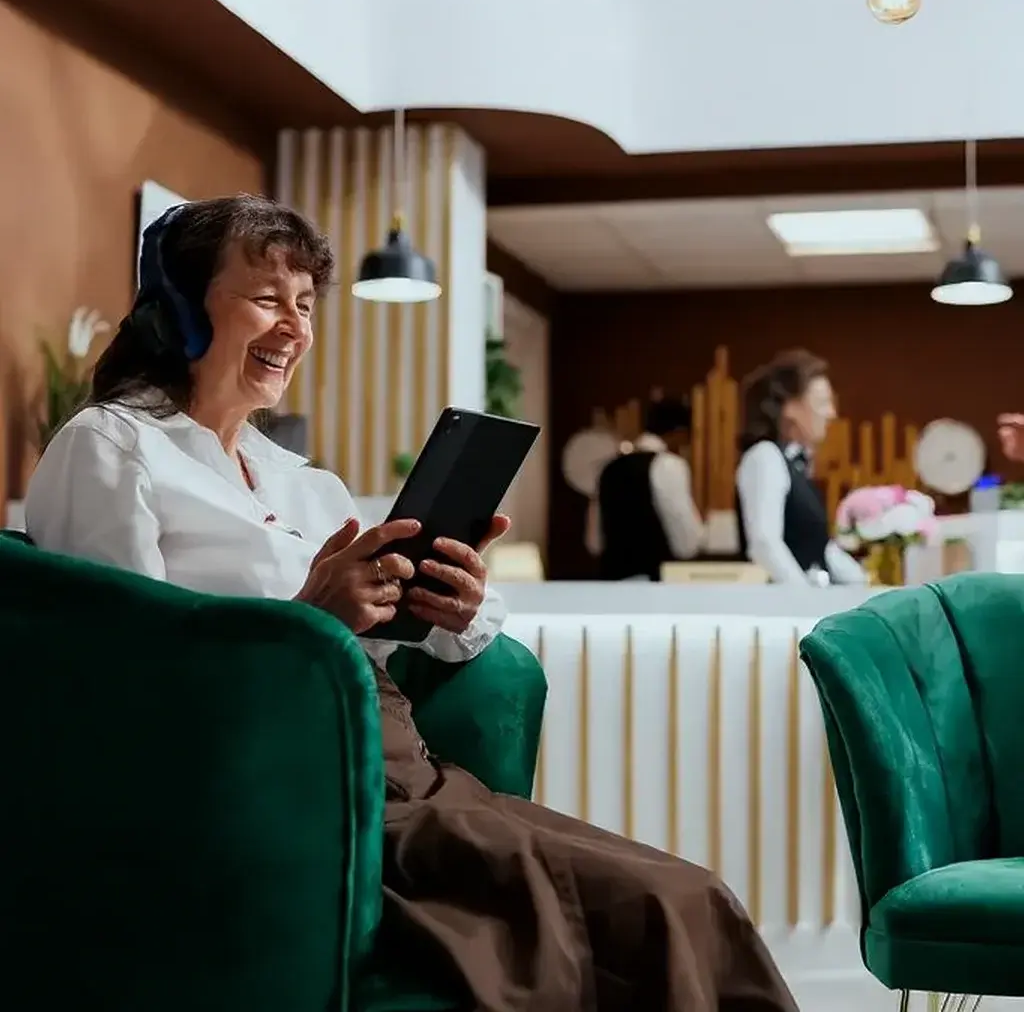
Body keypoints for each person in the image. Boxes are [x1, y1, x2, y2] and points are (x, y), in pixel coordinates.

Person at [26, 194, 798, 1012]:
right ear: (177, 309)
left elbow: (414, 642)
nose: (293, 326)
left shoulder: (304, 482)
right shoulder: (111, 446)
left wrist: (451, 606)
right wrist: (308, 617)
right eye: (265, 298)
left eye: (305, 303)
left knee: (693, 893)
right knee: (636, 913)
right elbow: (111, 686)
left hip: (406, 764)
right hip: (279, 780)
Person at [735, 350, 865, 585]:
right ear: (790, 408)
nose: (832, 413)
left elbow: (820, 548)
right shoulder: (765, 457)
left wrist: (866, 584)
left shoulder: (798, 467)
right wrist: (804, 598)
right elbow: (764, 543)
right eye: (823, 403)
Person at [589, 395, 704, 580]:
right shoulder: (669, 465)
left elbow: (594, 541)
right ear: (680, 432)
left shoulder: (608, 467)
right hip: (654, 579)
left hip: (611, 582)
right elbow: (686, 540)